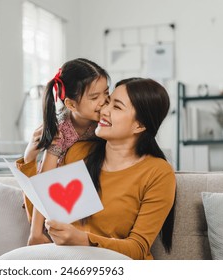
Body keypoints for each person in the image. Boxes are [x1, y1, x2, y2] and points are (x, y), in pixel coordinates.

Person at [18, 77, 176, 260]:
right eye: (107, 102)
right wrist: (29, 159)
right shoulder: (78, 153)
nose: (104, 110)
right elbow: (41, 220)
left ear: (139, 125)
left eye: (116, 107)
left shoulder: (158, 173)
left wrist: (83, 239)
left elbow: (138, 248)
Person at [27, 58, 110, 246]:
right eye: (94, 97)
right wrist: (35, 233)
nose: (104, 102)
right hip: (60, 196)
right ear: (71, 105)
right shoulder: (61, 130)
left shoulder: (104, 120)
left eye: (106, 93)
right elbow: (45, 179)